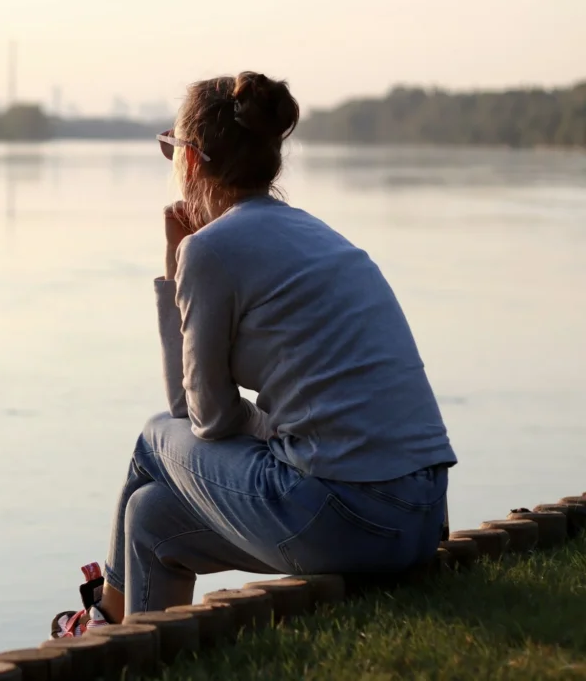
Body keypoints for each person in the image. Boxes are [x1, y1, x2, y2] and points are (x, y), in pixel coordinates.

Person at [51, 71, 457, 638]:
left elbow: (199, 416)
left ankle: (99, 620)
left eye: (169, 149)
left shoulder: (210, 249)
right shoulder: (319, 236)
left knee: (150, 437)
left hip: (346, 516)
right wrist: (267, 428)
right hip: (418, 517)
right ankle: (135, 654)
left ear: (190, 160)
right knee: (150, 519)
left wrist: (174, 268)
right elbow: (204, 416)